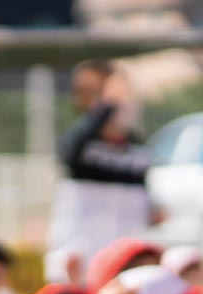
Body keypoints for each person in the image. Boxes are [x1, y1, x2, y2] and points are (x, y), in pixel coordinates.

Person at [49, 61, 152, 272]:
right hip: (84, 262)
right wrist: (107, 105)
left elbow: (142, 203)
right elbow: (69, 153)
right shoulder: (80, 144)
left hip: (125, 262)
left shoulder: (137, 150)